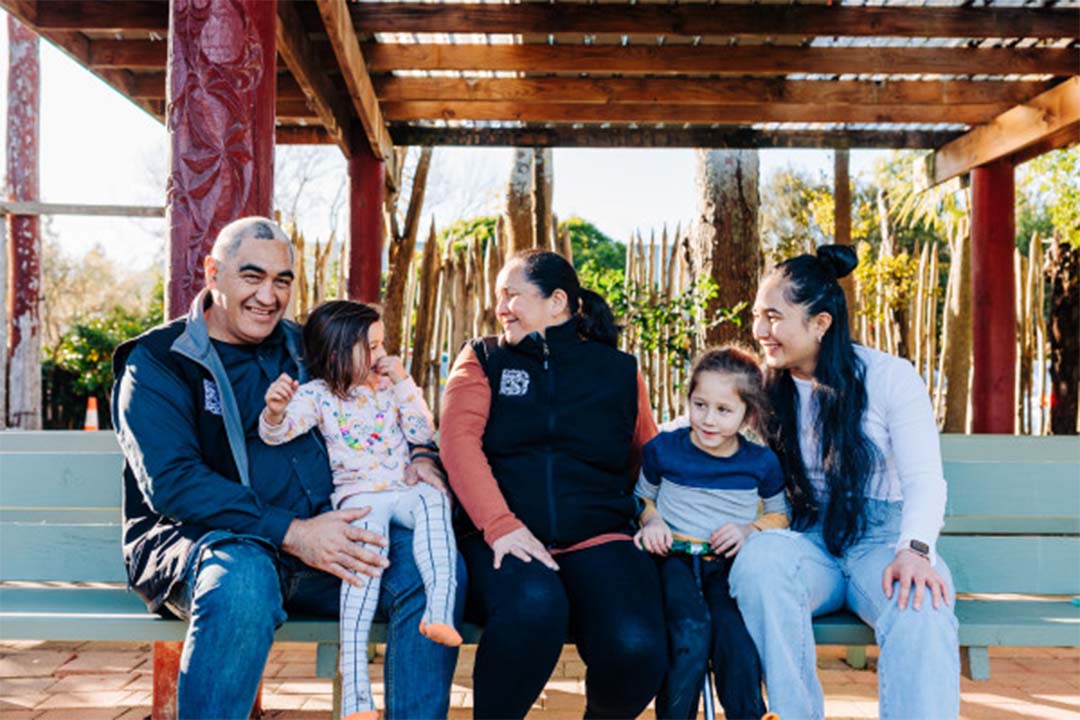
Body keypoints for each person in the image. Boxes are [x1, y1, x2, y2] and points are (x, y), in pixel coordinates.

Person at [112, 217, 462, 719]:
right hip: (211, 546)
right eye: (252, 277)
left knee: (426, 569)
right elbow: (172, 483)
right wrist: (292, 532)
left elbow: (384, 406)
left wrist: (423, 456)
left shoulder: (309, 348)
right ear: (213, 273)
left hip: (330, 543)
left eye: (282, 281)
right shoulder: (159, 361)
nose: (267, 296)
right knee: (241, 584)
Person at [729, 244, 960, 720]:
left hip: (883, 541)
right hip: (806, 539)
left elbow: (925, 480)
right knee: (761, 560)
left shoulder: (890, 377)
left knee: (922, 605)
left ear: (820, 323)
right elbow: (699, 429)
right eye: (757, 316)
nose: (760, 331)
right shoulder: (765, 386)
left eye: (773, 317)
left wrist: (915, 550)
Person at [440, 249, 668, 719]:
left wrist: (651, 514)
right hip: (501, 536)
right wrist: (501, 525)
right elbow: (457, 444)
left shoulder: (618, 371)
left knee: (637, 646)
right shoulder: (482, 358)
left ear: (557, 302)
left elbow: (645, 456)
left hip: (599, 535)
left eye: (512, 295)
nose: (501, 307)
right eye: (499, 297)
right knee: (534, 608)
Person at [260, 300, 460, 719]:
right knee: (363, 571)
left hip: (401, 489)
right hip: (359, 499)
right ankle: (356, 696)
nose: (380, 355)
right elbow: (278, 433)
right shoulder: (316, 395)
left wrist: (405, 383)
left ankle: (439, 609)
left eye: (381, 344)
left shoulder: (388, 387)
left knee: (434, 499)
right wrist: (274, 411)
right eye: (370, 347)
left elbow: (423, 432)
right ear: (335, 354)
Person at [635, 346, 788, 720]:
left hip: (727, 565)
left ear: (747, 414)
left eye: (724, 410)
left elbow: (780, 515)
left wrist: (749, 529)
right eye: (699, 404)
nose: (708, 420)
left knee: (736, 638)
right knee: (689, 632)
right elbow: (642, 499)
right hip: (673, 561)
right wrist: (652, 522)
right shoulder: (663, 450)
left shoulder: (760, 462)